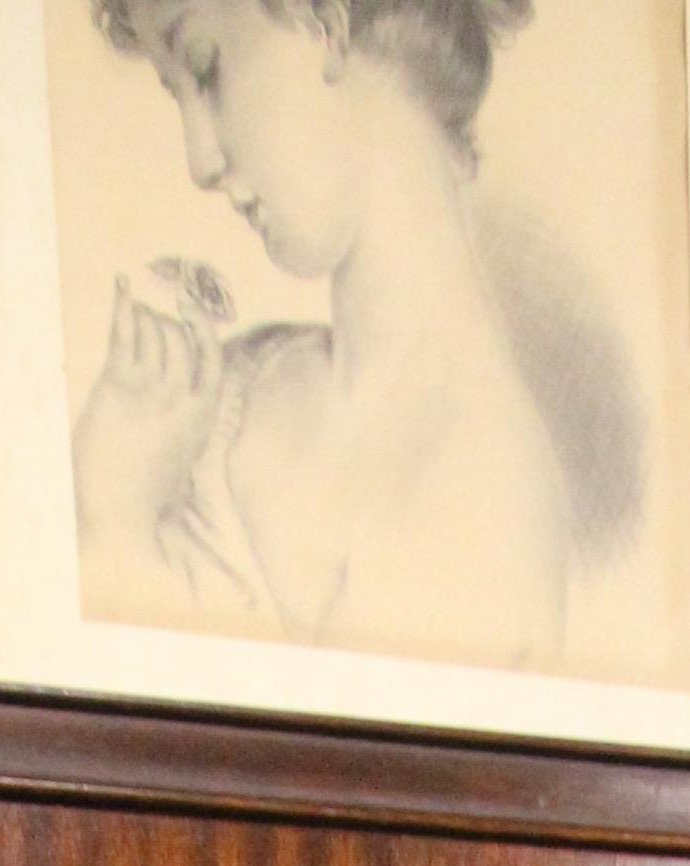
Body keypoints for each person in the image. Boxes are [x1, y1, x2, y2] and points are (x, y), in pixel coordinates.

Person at [74, 0, 571, 670]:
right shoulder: (235, 379)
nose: (200, 160)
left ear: (325, 22)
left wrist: (119, 524)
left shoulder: (480, 500)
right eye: (179, 95)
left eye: (206, 70)